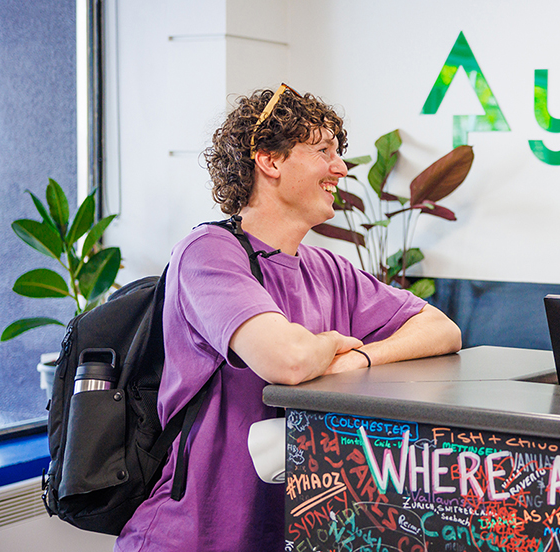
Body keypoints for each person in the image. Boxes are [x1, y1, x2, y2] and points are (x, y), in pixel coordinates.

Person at [115, 84, 462, 551]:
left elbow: (443, 329)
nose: (340, 167)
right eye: (323, 151)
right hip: (195, 535)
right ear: (270, 161)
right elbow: (289, 361)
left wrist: (358, 358)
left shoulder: (328, 268)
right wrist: (328, 345)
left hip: (285, 532)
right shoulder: (209, 253)